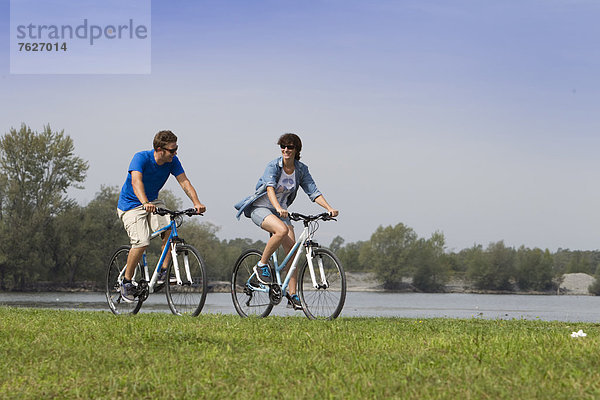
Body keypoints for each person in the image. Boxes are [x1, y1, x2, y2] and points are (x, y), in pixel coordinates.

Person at [234, 133, 338, 310]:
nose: (286, 150)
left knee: (293, 252)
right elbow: (270, 189)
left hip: (281, 211)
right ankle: (261, 266)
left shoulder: (301, 170)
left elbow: (313, 192)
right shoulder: (273, 166)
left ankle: (292, 294)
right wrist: (278, 208)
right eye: (283, 146)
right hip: (261, 208)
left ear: (296, 150)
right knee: (281, 231)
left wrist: (328, 208)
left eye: (290, 147)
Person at [117, 130, 206, 302]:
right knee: (142, 241)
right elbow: (136, 182)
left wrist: (197, 202)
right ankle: (126, 282)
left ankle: (163, 272)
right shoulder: (141, 158)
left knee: (170, 231)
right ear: (160, 149)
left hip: (152, 202)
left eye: (176, 148)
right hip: (130, 206)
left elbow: (184, 182)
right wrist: (144, 202)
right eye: (172, 150)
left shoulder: (173, 162)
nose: (175, 153)